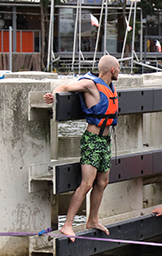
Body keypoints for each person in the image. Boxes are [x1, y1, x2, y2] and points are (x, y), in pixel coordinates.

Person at [43, 55, 120, 240]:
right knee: (86, 184)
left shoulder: (110, 87)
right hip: (92, 140)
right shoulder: (90, 84)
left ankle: (92, 219)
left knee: (102, 182)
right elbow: (65, 87)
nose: (119, 71)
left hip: (105, 140)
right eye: (118, 68)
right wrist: (53, 95)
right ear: (112, 70)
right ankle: (67, 225)